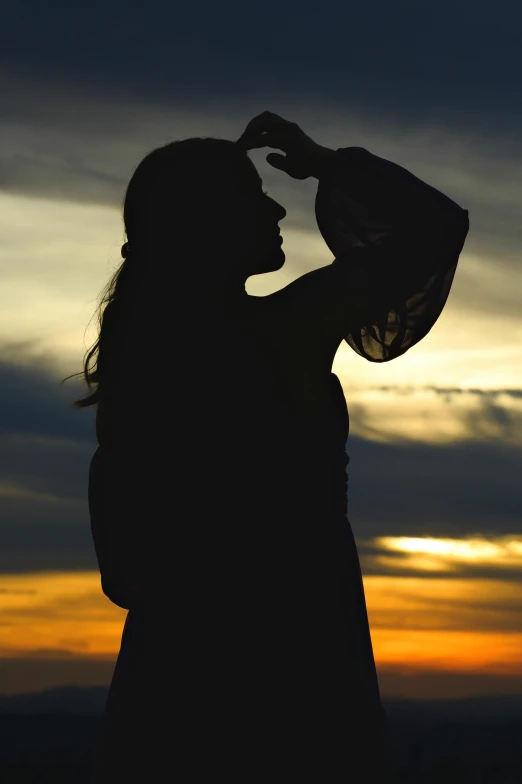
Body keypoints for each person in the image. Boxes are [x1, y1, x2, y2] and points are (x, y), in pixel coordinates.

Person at [75, 111, 469, 782]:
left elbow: (122, 569)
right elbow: (435, 227)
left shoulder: (144, 361)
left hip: (178, 656)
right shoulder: (288, 330)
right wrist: (327, 163)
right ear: (210, 224)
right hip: (300, 637)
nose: (278, 206)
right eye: (253, 196)